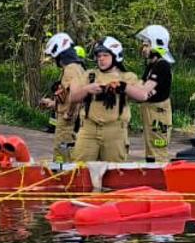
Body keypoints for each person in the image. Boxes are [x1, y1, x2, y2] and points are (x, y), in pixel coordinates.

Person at [66, 42, 154, 163]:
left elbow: (142, 96)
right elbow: (73, 97)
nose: (101, 59)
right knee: (81, 170)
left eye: (105, 55)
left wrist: (123, 87)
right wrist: (87, 89)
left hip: (115, 132)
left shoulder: (127, 77)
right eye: (99, 56)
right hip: (88, 130)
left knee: (114, 172)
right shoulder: (89, 75)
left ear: (116, 56)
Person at [37, 33, 87, 161]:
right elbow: (67, 96)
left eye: (55, 57)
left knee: (62, 155)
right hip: (69, 120)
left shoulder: (71, 69)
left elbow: (76, 96)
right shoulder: (76, 68)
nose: (55, 61)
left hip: (67, 123)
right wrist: (52, 103)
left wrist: (69, 113)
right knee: (65, 154)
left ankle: (61, 178)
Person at [133, 26, 174, 163]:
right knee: (150, 147)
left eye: (146, 45)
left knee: (158, 146)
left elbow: (144, 89)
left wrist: (127, 89)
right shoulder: (151, 65)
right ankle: (150, 173)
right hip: (149, 109)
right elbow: (141, 83)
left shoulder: (162, 65)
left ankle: (163, 177)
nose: (143, 49)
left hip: (159, 112)